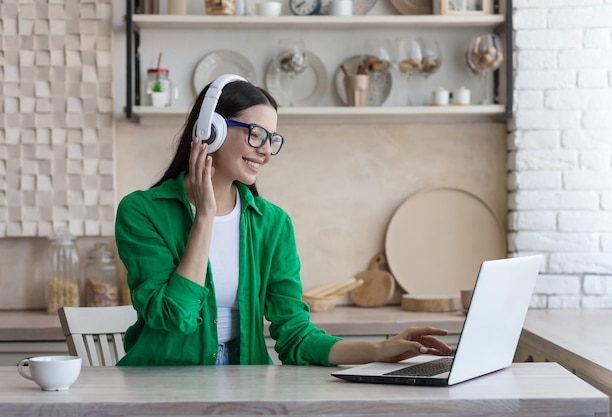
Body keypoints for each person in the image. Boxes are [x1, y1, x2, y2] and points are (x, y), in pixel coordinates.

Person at [114, 74, 452, 366]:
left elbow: (295, 336)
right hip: (160, 386)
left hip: (246, 383)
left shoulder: (273, 224)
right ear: (211, 130)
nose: (265, 150)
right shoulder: (142, 212)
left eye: (272, 140)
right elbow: (174, 315)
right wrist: (204, 216)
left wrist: (380, 349)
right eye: (256, 134)